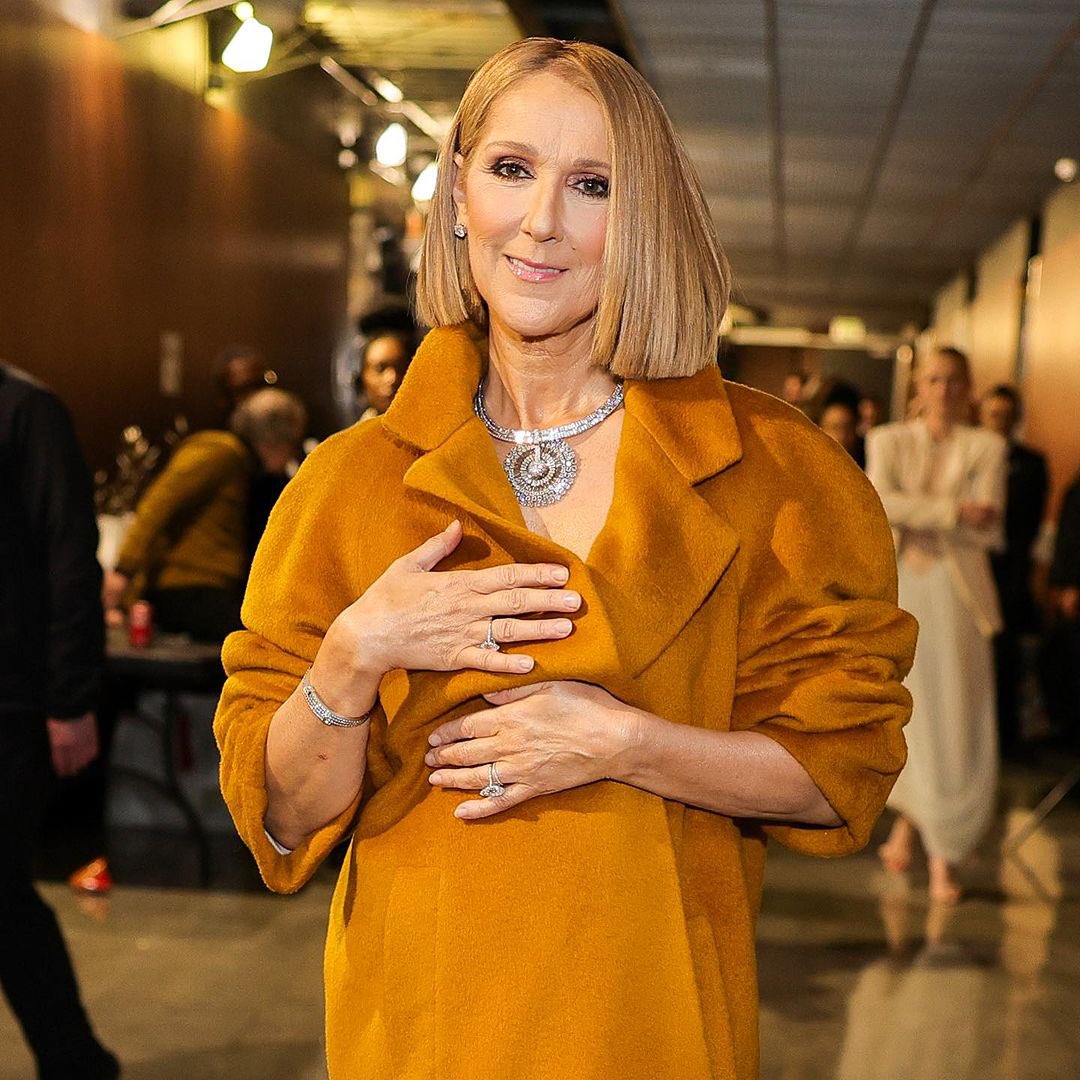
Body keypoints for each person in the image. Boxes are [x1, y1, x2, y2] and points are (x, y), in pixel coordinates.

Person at [214, 38, 916, 1080]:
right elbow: (281, 815)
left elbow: (839, 770)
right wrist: (350, 660)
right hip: (422, 1020)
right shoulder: (350, 484)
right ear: (458, 194)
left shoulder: (774, 473)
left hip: (656, 1014)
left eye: (592, 185)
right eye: (511, 170)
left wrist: (624, 743)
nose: (542, 221)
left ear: (642, 221)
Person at [0, 363, 120, 1078]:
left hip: (13, 700)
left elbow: (72, 560)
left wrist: (70, 699)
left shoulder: (27, 411)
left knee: (3, 893)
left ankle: (76, 1060)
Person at [867, 346, 1006, 902]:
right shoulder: (887, 441)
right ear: (917, 386)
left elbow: (989, 528)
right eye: (933, 379)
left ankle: (940, 848)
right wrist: (950, 511)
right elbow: (879, 503)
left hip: (959, 597)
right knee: (912, 720)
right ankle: (922, 836)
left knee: (955, 720)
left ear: (968, 387)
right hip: (905, 591)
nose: (944, 390)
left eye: (954, 381)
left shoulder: (987, 446)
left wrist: (919, 507)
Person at [104, 388, 307, 642]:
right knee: (261, 641)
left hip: (205, 588)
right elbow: (159, 505)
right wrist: (123, 572)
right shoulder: (220, 452)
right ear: (277, 439)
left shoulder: (243, 464)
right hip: (189, 587)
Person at [978, 384, 1048, 754]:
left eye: (1006, 416)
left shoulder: (1031, 464)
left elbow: (1031, 524)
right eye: (993, 415)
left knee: (1007, 657)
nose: (999, 423)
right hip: (973, 566)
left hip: (1010, 574)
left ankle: (1006, 737)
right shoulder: (968, 454)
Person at [353, 303, 418, 420]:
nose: (392, 378)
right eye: (380, 369)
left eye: (402, 368)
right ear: (361, 377)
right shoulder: (352, 437)